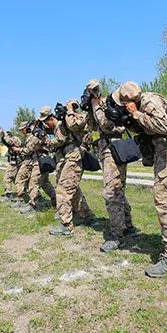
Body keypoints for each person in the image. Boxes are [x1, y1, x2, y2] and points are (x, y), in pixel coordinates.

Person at [109, 82, 167, 277]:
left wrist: (136, 114)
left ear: (129, 99)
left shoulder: (150, 100)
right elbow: (148, 129)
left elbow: (161, 126)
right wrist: (131, 120)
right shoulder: (142, 103)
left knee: (164, 200)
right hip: (165, 152)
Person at [82, 80, 138, 252]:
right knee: (117, 189)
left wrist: (96, 105)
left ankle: (117, 235)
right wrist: (90, 109)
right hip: (105, 150)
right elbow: (91, 126)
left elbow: (107, 125)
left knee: (111, 192)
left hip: (113, 150)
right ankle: (127, 226)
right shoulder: (96, 106)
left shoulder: (109, 104)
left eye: (93, 90)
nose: (92, 93)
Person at [49, 100, 96, 236]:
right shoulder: (66, 121)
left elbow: (73, 126)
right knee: (73, 190)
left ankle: (66, 225)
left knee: (63, 190)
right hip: (68, 157)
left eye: (72, 106)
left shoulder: (80, 117)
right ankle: (87, 216)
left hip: (75, 157)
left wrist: (70, 110)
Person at [17, 107, 58, 214]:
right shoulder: (39, 130)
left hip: (41, 159)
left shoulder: (40, 132)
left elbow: (32, 147)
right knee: (44, 183)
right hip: (39, 158)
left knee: (34, 182)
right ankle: (55, 200)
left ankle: (33, 204)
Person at [0, 127, 23, 201]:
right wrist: (3, 136)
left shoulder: (14, 139)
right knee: (18, 179)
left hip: (15, 163)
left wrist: (4, 134)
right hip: (15, 162)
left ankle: (8, 194)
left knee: (7, 177)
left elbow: (9, 142)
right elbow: (6, 142)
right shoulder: (13, 140)